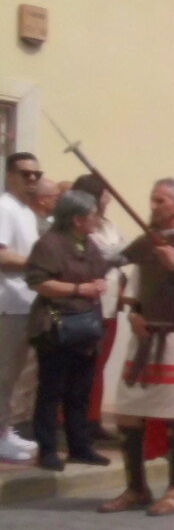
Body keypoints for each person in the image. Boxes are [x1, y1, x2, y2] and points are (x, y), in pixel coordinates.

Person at [98, 178, 174, 516]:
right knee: (128, 413)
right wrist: (135, 313)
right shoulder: (147, 244)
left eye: (161, 201)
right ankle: (136, 487)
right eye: (153, 200)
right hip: (143, 339)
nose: (154, 207)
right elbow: (134, 288)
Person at [24, 191, 112, 471]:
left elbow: (99, 269)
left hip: (85, 326)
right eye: (92, 215)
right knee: (51, 391)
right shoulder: (49, 244)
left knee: (80, 390)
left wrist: (99, 283)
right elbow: (38, 282)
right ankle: (48, 449)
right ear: (76, 219)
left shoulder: (88, 243)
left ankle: (80, 446)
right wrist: (77, 289)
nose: (96, 220)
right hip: (57, 326)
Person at [72, 174, 126, 438]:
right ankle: (76, 420)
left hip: (111, 303)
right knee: (84, 365)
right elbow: (103, 255)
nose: (109, 198)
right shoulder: (80, 227)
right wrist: (119, 254)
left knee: (100, 364)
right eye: (105, 193)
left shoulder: (108, 224)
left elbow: (119, 253)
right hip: (89, 304)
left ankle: (92, 418)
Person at [0, 152, 43, 461]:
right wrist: (38, 265)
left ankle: (6, 430)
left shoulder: (26, 212)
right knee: (4, 375)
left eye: (36, 175)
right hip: (7, 305)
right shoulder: (3, 208)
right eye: (25, 174)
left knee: (17, 376)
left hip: (26, 305)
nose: (32, 179)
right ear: (10, 175)